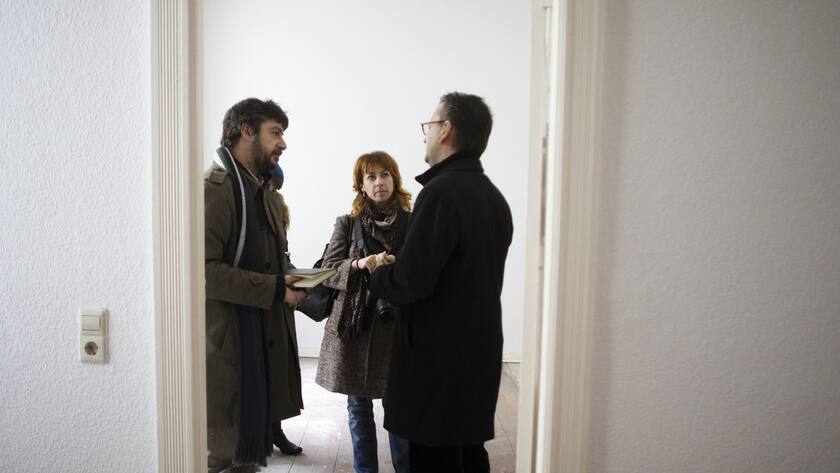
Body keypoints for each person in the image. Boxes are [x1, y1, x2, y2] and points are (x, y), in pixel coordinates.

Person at [368, 92, 513, 473]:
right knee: (469, 455)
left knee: (434, 460)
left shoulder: (440, 194)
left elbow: (410, 282)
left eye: (429, 126)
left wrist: (377, 274)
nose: (425, 135)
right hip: (475, 357)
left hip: (436, 367)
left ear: (445, 129)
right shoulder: (493, 197)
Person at [204, 98, 307, 473]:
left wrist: (291, 280)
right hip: (230, 349)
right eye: (275, 133)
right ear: (246, 131)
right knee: (224, 456)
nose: (283, 143)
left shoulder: (263, 194)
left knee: (246, 460)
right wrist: (276, 288)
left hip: (261, 344)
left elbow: (269, 264)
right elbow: (204, 273)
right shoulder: (216, 190)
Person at [315, 151, 412, 473]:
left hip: (397, 326)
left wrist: (396, 266)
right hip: (356, 327)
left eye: (385, 175)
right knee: (358, 407)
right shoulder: (347, 223)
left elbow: (423, 271)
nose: (379, 182)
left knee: (400, 408)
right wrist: (360, 264)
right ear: (361, 185)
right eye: (371, 177)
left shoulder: (411, 222)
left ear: (394, 179)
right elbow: (328, 271)